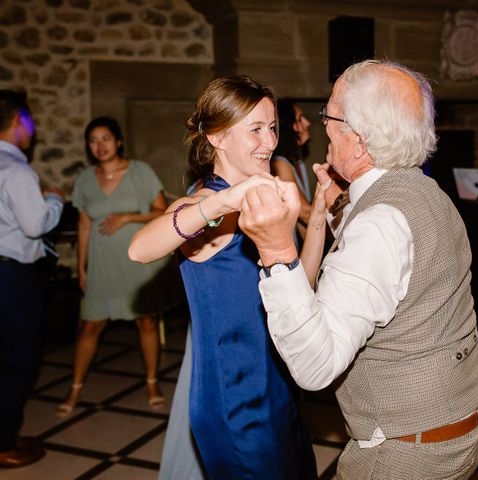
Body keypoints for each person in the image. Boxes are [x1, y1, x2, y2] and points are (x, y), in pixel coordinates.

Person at [238, 59, 478, 480]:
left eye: (330, 116)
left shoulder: (378, 225)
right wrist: (339, 206)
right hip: (465, 421)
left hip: (408, 451)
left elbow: (316, 367)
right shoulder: (428, 192)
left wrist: (278, 250)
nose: (323, 126)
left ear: (358, 140)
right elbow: (394, 268)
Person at [128, 75, 322, 479]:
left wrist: (317, 216)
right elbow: (140, 249)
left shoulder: (263, 201)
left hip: (279, 388)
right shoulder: (202, 203)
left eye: (271, 128)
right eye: (255, 130)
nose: (269, 142)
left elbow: (298, 285)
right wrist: (226, 199)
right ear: (217, 136)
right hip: (237, 403)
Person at [57, 117, 176, 418]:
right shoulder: (85, 178)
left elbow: (161, 211)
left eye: (106, 138)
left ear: (119, 141)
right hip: (101, 264)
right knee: (90, 325)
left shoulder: (140, 171)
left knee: (145, 322)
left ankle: (152, 383)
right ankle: (75, 387)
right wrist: (81, 267)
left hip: (134, 261)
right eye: (93, 140)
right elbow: (84, 224)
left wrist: (126, 217)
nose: (100, 146)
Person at [0, 90, 64, 467]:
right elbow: (35, 223)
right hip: (10, 276)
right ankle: (4, 442)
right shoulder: (17, 169)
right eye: (30, 122)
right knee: (17, 359)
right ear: (18, 123)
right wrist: (53, 199)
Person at [271, 99, 313, 240]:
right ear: (288, 126)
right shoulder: (280, 163)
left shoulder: (297, 163)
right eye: (300, 119)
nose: (308, 123)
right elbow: (305, 213)